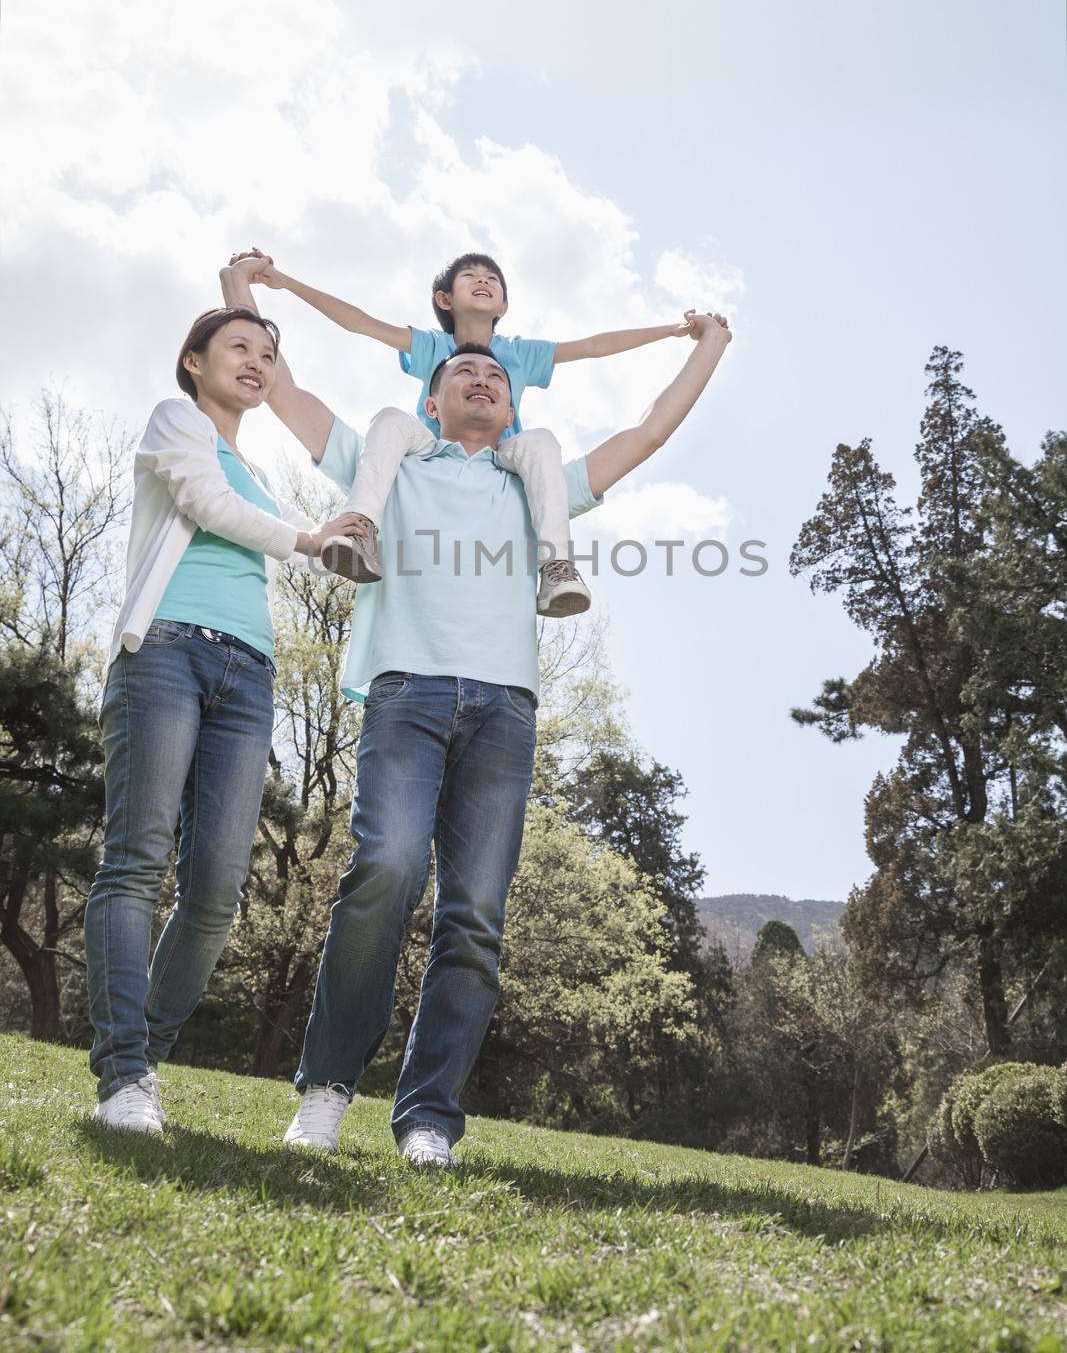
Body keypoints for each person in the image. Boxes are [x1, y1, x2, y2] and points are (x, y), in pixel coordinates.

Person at [224, 259, 732, 1167]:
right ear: (430, 403)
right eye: (464, 372)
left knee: (475, 915)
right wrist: (244, 297)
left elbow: (648, 431)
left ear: (511, 401)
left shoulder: (534, 486)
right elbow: (284, 393)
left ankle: (427, 1115)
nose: (484, 376)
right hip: (405, 693)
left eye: (495, 375)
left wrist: (710, 347)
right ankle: (328, 1092)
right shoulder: (388, 463)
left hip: (503, 710)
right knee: (381, 869)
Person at [83, 302, 366, 1133]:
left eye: (267, 353)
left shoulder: (260, 475)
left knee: (215, 890)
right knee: (136, 861)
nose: (254, 360)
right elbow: (206, 504)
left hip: (248, 673)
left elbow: (244, 510)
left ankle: (143, 1053)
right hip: (166, 650)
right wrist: (311, 540)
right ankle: (124, 1075)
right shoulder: (177, 422)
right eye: (237, 347)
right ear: (194, 363)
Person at [230, 247, 696, 619]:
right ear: (444, 299)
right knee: (391, 422)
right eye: (470, 275)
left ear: (505, 304)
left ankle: (556, 568)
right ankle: (359, 531)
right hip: (432, 452)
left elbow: (596, 347)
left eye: (493, 278)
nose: (483, 280)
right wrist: (284, 284)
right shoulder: (432, 347)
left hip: (504, 459)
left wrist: (673, 331)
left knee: (541, 445)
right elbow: (359, 323)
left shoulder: (521, 353)